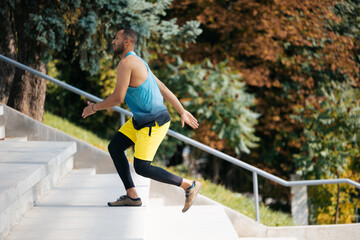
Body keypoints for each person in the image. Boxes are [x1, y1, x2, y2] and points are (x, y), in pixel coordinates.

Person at [81, 28, 201, 213]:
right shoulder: (138, 61)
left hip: (153, 122)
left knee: (142, 167)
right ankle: (132, 196)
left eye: (116, 37)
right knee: (115, 147)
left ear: (126, 42)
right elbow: (160, 86)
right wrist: (182, 111)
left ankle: (189, 185)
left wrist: (93, 108)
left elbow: (117, 98)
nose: (113, 41)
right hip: (140, 119)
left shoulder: (127, 63)